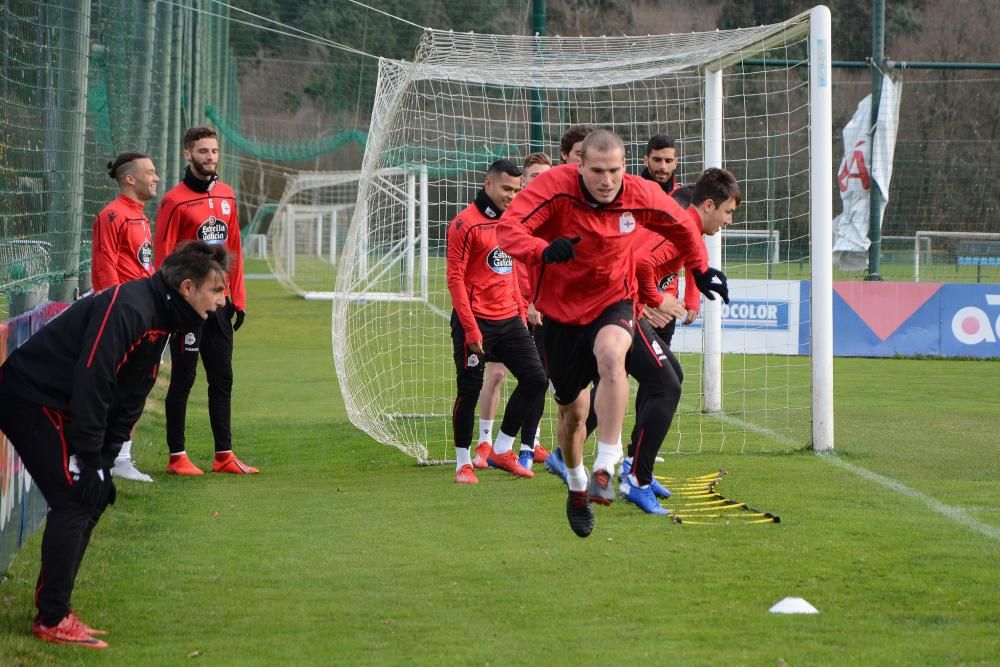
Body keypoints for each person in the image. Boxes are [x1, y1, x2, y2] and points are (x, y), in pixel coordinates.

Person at [497, 129, 729, 537]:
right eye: (598, 171)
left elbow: (681, 223)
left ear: (626, 167)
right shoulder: (554, 188)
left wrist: (700, 269)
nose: (607, 180)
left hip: (614, 300)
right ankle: (576, 481)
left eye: (615, 170)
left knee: (612, 356)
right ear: (580, 166)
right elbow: (508, 229)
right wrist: (540, 250)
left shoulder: (637, 192)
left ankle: (607, 462)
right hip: (562, 315)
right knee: (572, 416)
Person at [0, 242, 229, 648]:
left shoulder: (167, 315)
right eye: (217, 291)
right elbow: (93, 378)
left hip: (62, 403)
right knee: (75, 496)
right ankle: (51, 618)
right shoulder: (132, 307)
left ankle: (57, 607)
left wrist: (106, 458)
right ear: (189, 287)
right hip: (30, 397)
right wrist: (90, 458)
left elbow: (131, 392)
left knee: (93, 494)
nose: (222, 300)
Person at [614, 167, 742, 513]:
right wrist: (656, 300)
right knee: (664, 385)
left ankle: (637, 469)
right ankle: (634, 479)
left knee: (669, 380)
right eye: (728, 212)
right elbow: (639, 261)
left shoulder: (687, 228)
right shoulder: (681, 226)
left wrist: (676, 300)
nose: (729, 221)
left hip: (625, 308)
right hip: (618, 310)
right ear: (710, 205)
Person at [155, 126, 256, 475]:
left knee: (222, 378)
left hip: (219, 305)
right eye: (202, 152)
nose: (209, 157)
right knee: (183, 379)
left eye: (213, 151)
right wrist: (167, 303)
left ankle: (223, 455)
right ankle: (176, 456)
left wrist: (237, 299)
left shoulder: (227, 196)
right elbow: (163, 256)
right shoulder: (173, 200)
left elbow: (236, 251)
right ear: (188, 155)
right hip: (187, 307)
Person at [446, 159, 548, 483]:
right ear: (488, 184)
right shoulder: (464, 225)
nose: (512, 195)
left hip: (509, 319)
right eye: (507, 188)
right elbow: (455, 280)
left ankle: (503, 448)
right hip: (474, 322)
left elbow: (513, 273)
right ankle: (463, 462)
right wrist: (471, 328)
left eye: (516, 190)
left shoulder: (513, 223)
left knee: (536, 379)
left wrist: (520, 311)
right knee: (470, 389)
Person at [474, 152, 554, 470]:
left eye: (547, 177)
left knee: (538, 375)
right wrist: (528, 302)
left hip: (536, 308)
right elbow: (511, 263)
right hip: (508, 309)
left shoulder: (549, 214)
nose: (541, 182)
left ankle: (529, 442)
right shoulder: (508, 215)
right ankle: (484, 440)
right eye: (535, 177)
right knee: (496, 374)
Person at [91, 152, 160, 482]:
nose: (156, 177)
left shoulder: (142, 216)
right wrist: (116, 312)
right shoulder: (112, 215)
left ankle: (121, 457)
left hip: (146, 316)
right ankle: (96, 458)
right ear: (130, 179)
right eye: (150, 172)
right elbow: (105, 268)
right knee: (114, 388)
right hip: (124, 318)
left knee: (138, 387)